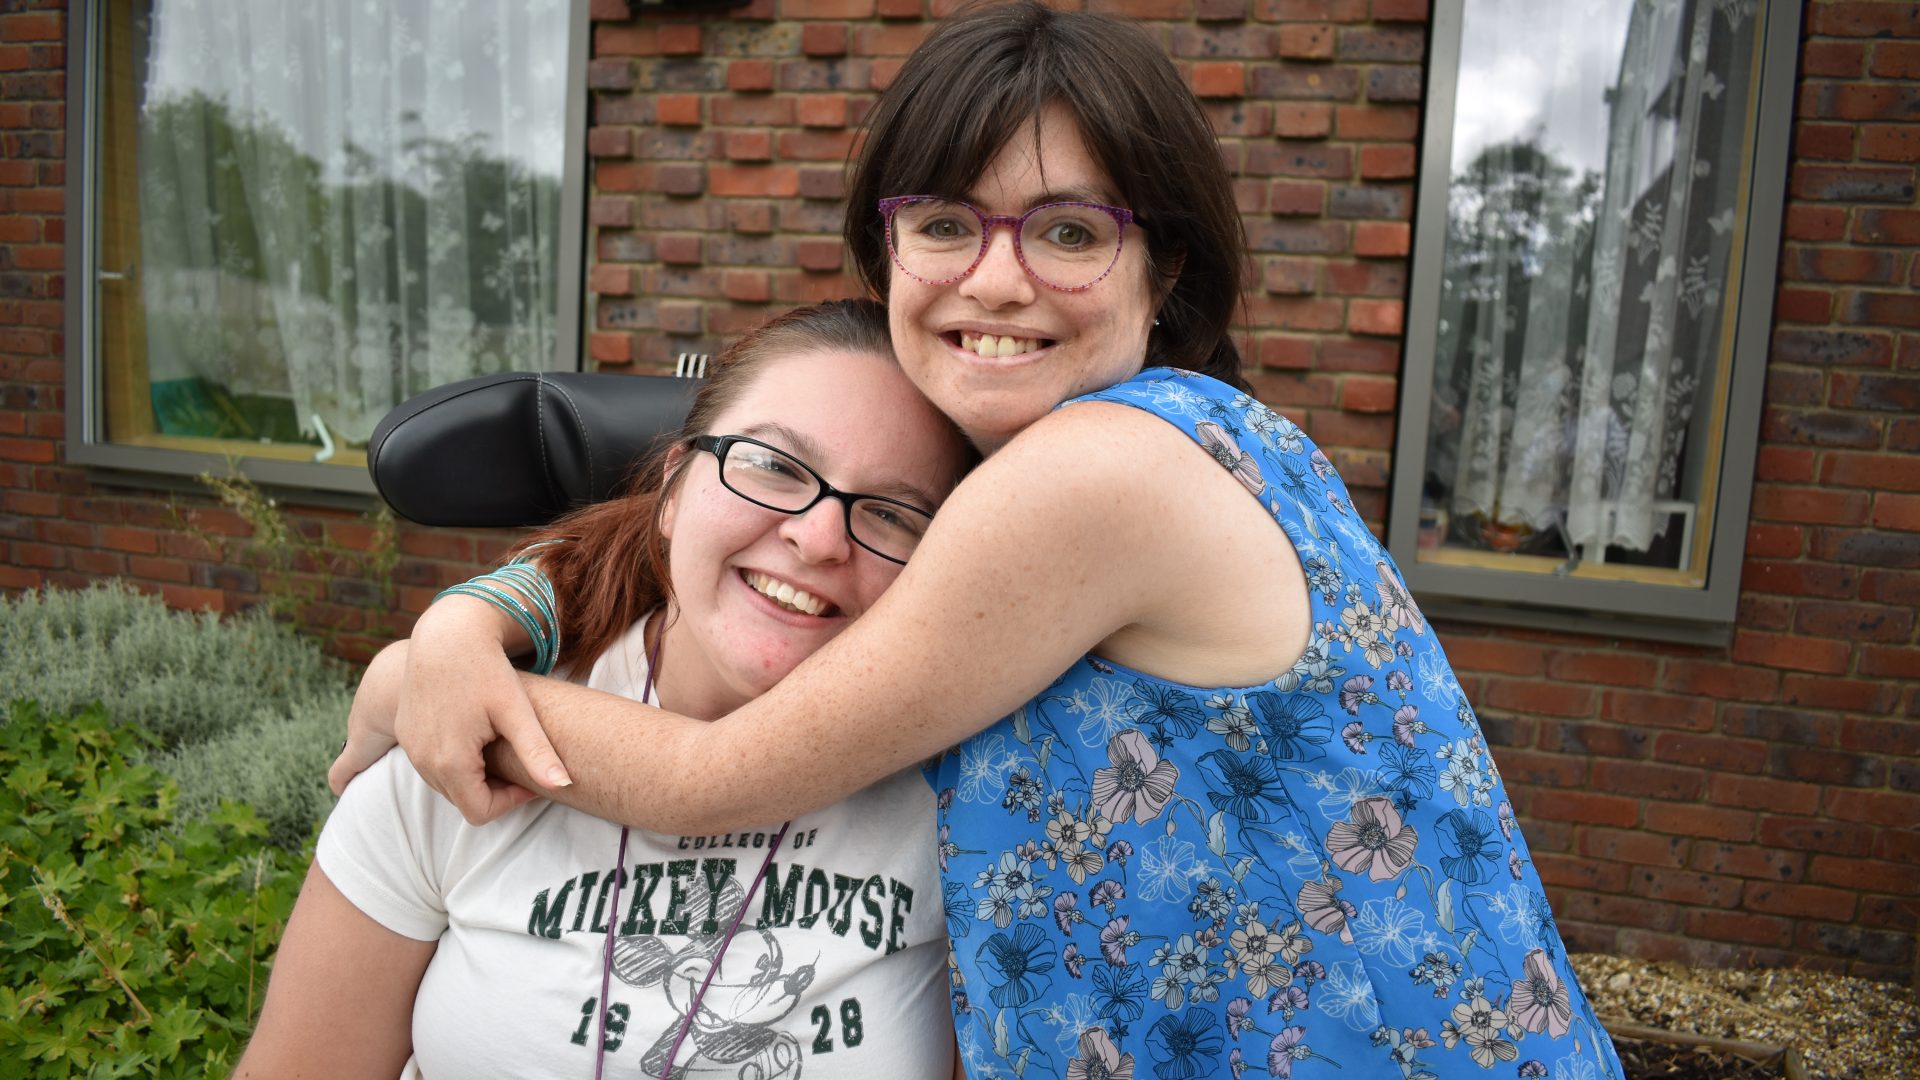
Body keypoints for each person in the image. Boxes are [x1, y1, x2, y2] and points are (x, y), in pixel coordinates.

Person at [341, 4, 1626, 1078]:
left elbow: (709, 779)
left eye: (1069, 232)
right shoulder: (1169, 446)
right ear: (887, 248)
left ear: (1166, 269)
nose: (996, 280)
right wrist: (479, 614)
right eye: (946, 223)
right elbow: (682, 509)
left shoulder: (1093, 474)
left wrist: (413, 681)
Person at [239, 300, 973, 1079]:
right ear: (673, 489)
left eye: (893, 514)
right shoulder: (449, 736)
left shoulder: (966, 797)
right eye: (773, 466)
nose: (818, 538)